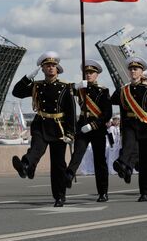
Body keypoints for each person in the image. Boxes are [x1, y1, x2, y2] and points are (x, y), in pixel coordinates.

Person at [12, 51, 75, 207]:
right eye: (47, 66)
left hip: (59, 127)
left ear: (58, 69)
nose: (51, 68)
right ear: (43, 69)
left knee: (58, 164)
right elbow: (17, 92)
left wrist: (70, 133)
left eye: (53, 66)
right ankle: (25, 166)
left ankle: (59, 196)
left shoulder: (65, 87)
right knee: (36, 149)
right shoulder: (36, 86)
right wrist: (28, 77)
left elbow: (72, 111)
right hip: (41, 123)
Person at [111, 57, 147, 202]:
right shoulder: (124, 90)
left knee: (146, 161)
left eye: (136, 69)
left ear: (142, 72)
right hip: (129, 124)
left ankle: (145, 191)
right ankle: (122, 163)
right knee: (128, 145)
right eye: (131, 69)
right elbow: (111, 100)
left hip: (146, 127)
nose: (133, 71)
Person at [64, 59, 112, 202]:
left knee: (99, 161)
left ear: (97, 75)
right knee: (77, 153)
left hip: (97, 128)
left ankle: (103, 192)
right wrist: (77, 86)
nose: (89, 75)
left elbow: (107, 114)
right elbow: (65, 92)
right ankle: (69, 175)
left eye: (91, 73)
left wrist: (94, 125)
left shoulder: (103, 91)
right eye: (86, 73)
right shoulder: (80, 89)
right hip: (82, 125)